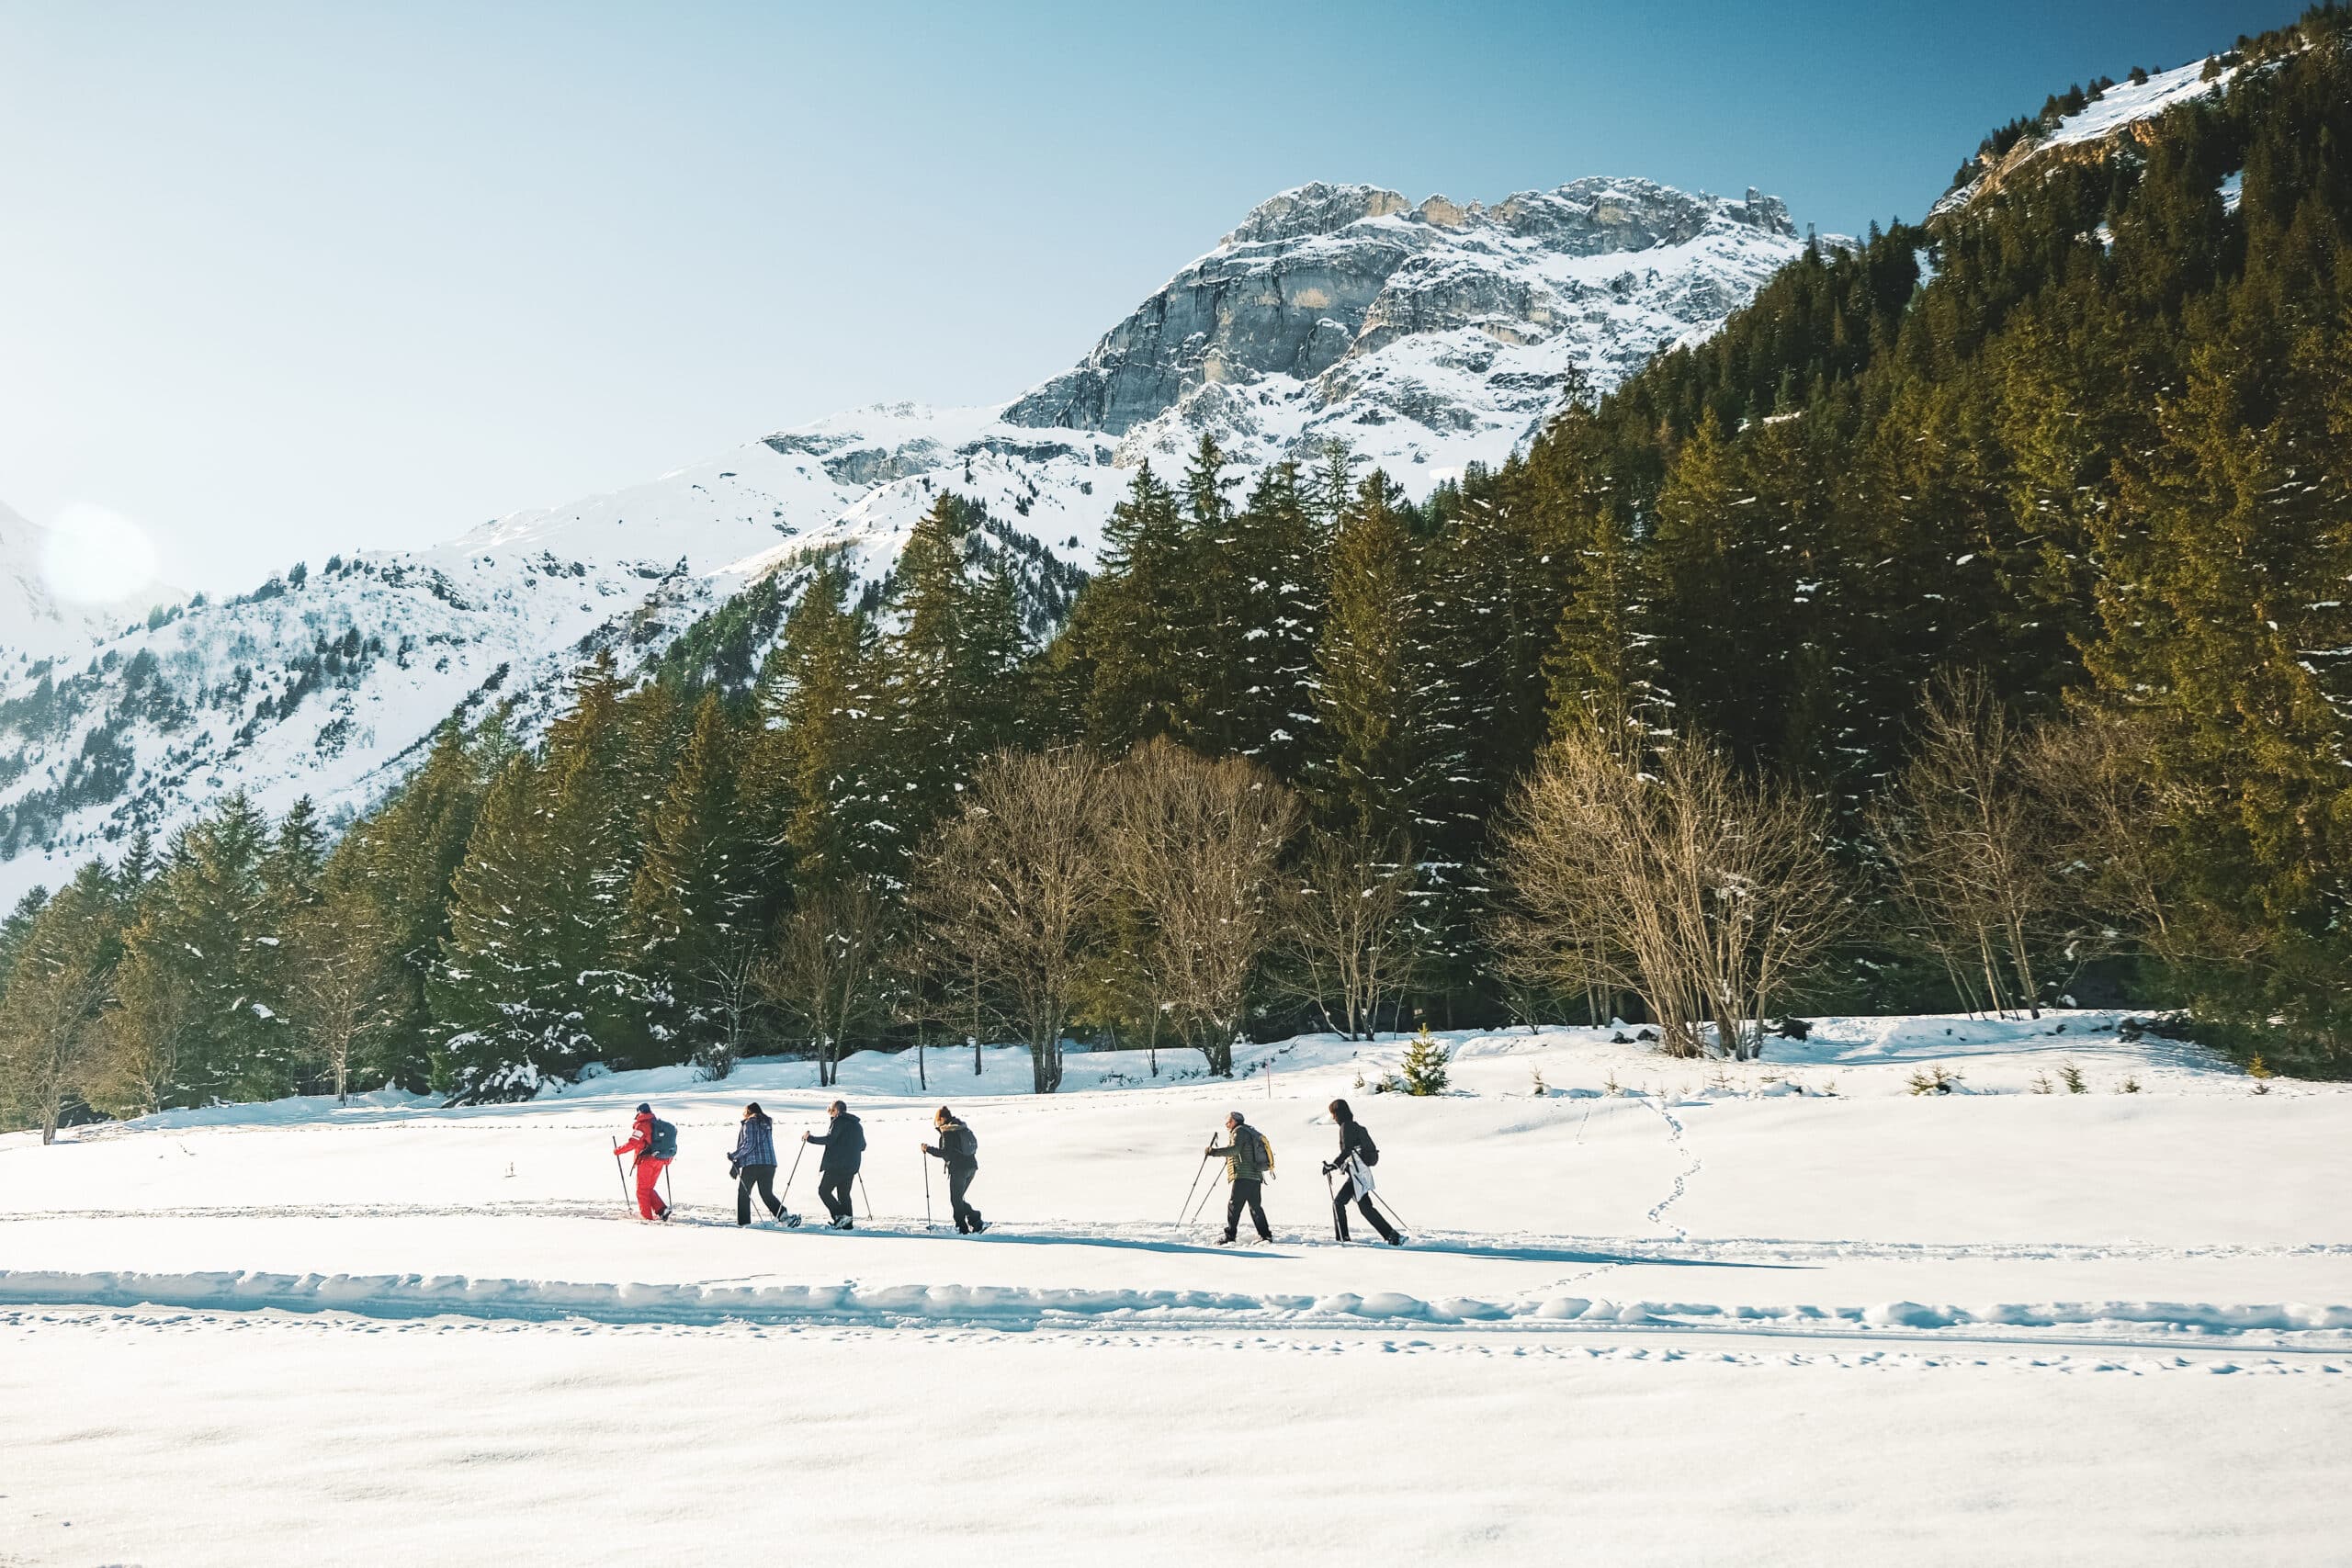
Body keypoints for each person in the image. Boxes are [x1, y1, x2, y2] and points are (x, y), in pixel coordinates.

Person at [1322, 1098, 1401, 1245]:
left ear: (1338, 1113)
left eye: (1333, 1114)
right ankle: (1391, 1235)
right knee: (1365, 1208)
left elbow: (1347, 1150)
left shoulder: (1346, 1126)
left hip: (1357, 1174)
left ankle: (1343, 1238)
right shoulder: (1353, 1126)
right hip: (1359, 1172)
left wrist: (1333, 1165)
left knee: (1338, 1203)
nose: (1333, 1117)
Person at [1203, 1110, 1273, 1246]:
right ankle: (1265, 1235)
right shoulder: (1248, 1131)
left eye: (1228, 1122)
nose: (1227, 1125)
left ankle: (1230, 1236)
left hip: (1243, 1175)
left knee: (1234, 1205)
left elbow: (1235, 1149)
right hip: (1255, 1175)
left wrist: (1214, 1152)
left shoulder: (1239, 1131)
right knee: (1255, 1206)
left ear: (1235, 1121)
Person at [920, 1106, 985, 1234]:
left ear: (943, 1118)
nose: (937, 1123)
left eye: (938, 1120)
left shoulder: (948, 1131)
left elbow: (945, 1152)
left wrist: (928, 1149)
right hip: (971, 1167)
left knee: (956, 1200)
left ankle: (963, 1227)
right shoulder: (961, 1127)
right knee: (958, 1199)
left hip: (959, 1169)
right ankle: (974, 1220)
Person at [804, 1099, 865, 1229]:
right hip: (852, 1166)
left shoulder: (838, 1121)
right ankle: (847, 1224)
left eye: (831, 1110)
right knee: (844, 1194)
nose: (830, 1113)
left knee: (824, 1191)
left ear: (836, 1110)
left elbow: (829, 1140)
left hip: (837, 1165)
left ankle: (840, 1216)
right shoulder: (857, 1125)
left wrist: (810, 1139)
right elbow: (863, 1146)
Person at [612, 1101, 674, 1223]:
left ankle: (646, 1217)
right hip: (660, 1160)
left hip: (647, 1161)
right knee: (648, 1188)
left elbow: (633, 1143)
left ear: (639, 1113)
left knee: (642, 1190)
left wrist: (618, 1151)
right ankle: (662, 1210)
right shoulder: (658, 1124)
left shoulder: (642, 1126)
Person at [731, 1102, 785, 1226]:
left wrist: (734, 1155)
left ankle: (744, 1222)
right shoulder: (767, 1123)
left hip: (753, 1164)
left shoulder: (750, 1123)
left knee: (744, 1193)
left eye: (745, 1112)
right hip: (769, 1163)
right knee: (766, 1193)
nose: (744, 1114)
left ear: (749, 1112)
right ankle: (783, 1215)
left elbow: (749, 1144)